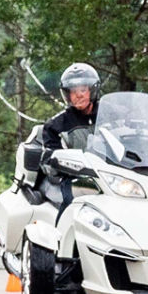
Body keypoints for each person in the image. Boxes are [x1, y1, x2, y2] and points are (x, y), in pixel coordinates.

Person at [31, 61, 101, 215]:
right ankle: (64, 237)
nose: (79, 95)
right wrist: (66, 164)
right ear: (67, 95)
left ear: (92, 90)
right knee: (72, 205)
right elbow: (49, 160)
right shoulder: (55, 125)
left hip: (108, 175)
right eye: (73, 91)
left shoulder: (110, 116)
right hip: (74, 178)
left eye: (83, 89)